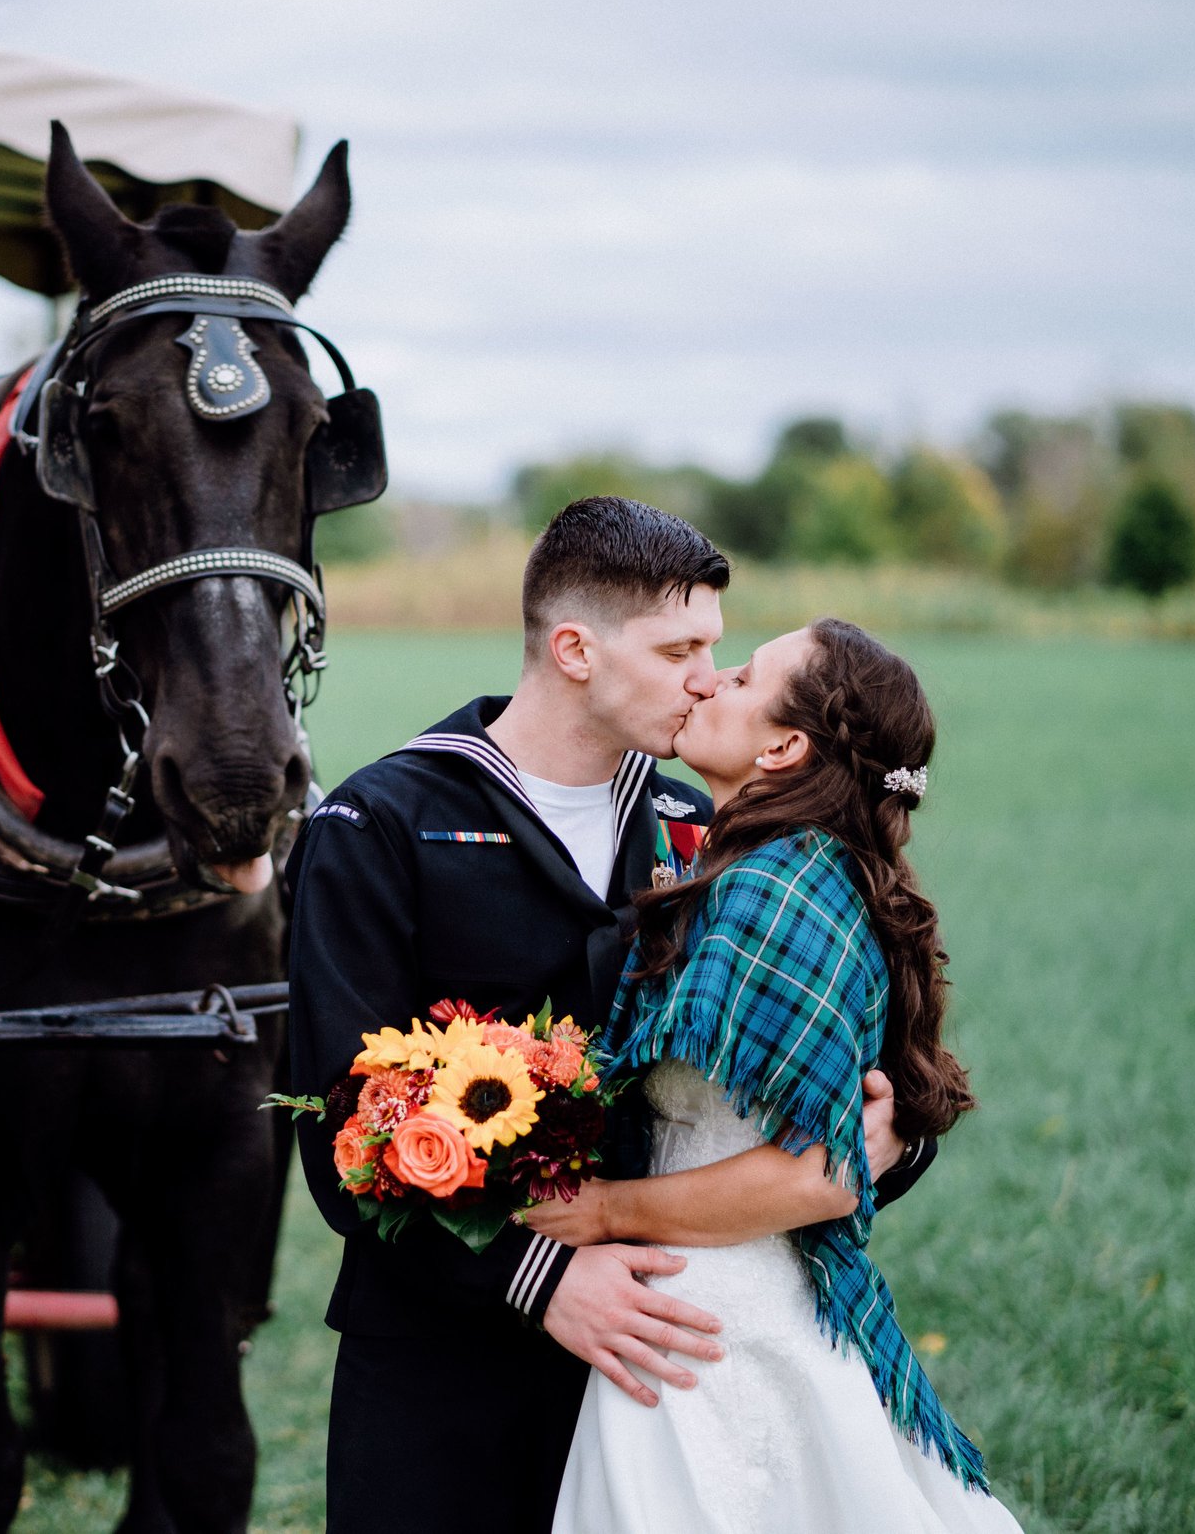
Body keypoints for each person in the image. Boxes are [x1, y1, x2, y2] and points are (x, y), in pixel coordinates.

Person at [286, 497, 937, 1534]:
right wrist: (539, 1278)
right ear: (575, 649)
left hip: (671, 1361)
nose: (704, 677)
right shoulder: (381, 825)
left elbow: (826, 1061)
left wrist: (886, 1137)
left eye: (716, 650)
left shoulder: (713, 832)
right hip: (442, 1367)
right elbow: (339, 1126)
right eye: (679, 647)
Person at [530, 617, 1021, 1533]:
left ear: (786, 744)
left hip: (708, 1317)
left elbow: (819, 1175)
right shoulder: (781, 866)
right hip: (719, 1295)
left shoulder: (776, 888)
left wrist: (599, 1210)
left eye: (745, 675)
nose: (710, 681)